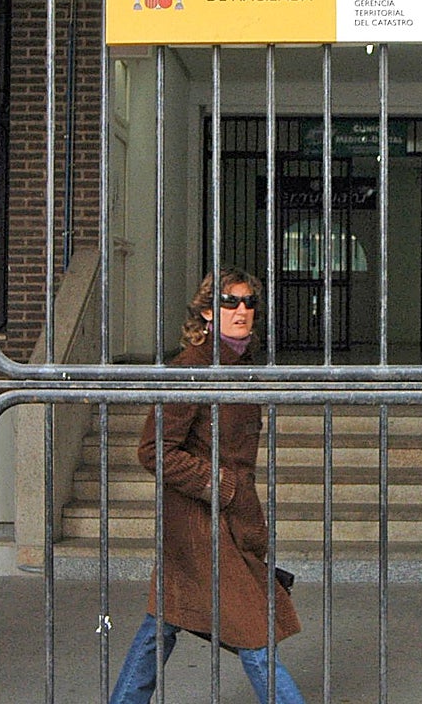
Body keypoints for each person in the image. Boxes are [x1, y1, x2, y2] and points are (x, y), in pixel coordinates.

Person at [109, 268, 306, 704]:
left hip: (225, 521)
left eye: (249, 302)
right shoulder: (191, 368)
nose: (241, 311)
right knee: (254, 632)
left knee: (162, 624)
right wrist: (221, 486)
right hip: (200, 526)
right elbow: (153, 450)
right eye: (229, 302)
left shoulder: (239, 366)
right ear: (206, 313)